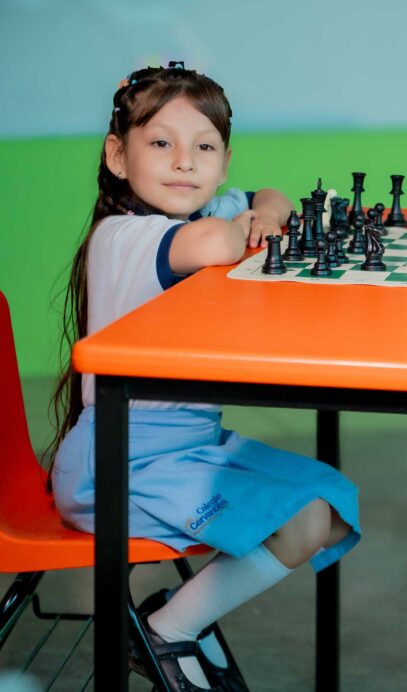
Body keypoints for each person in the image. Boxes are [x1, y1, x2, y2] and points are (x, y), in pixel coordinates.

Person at [47, 62, 360, 692]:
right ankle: (166, 631)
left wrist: (264, 214)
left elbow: (270, 195)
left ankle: (171, 615)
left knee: (332, 505)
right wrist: (246, 225)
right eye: (161, 143)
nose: (185, 162)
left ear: (223, 161)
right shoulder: (124, 236)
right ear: (117, 156)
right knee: (303, 518)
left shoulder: (200, 208)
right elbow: (217, 244)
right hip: (120, 465)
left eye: (205, 148)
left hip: (188, 449)